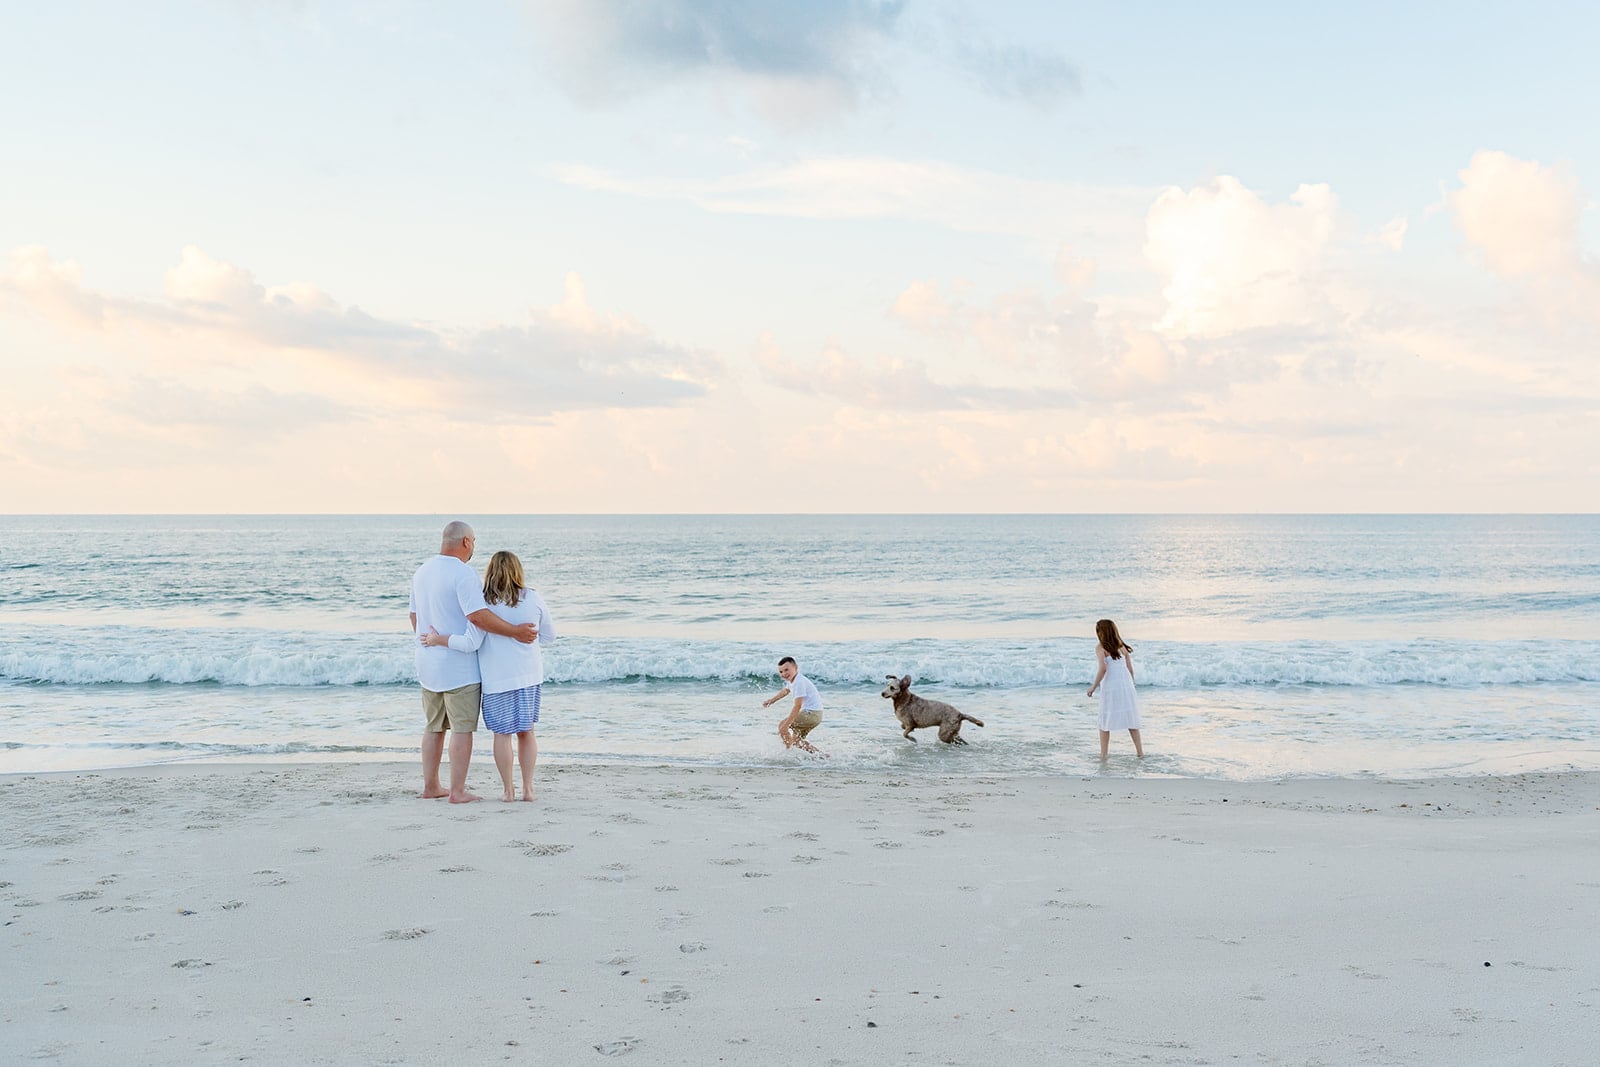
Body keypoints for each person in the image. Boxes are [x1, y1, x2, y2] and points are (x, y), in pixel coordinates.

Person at [409, 522, 538, 803]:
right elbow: (478, 617)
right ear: (466, 542)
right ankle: (456, 791)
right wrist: (516, 632)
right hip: (458, 666)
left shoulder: (422, 571)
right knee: (461, 729)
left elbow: (414, 617)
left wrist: (430, 642)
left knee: (433, 727)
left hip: (427, 662)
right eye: (474, 541)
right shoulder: (463, 573)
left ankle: (431, 786)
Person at [1086, 618, 1144, 760]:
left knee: (1105, 721)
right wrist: (1131, 685)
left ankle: (1104, 755)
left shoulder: (1100, 648)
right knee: (1131, 720)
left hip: (1111, 687)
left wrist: (1093, 687)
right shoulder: (1122, 646)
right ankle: (1140, 753)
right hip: (1126, 686)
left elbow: (1103, 669)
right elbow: (1130, 669)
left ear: (1101, 633)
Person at [762, 656, 824, 754]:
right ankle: (822, 756)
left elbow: (797, 706)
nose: (784, 674)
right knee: (797, 741)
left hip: (811, 714)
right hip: (816, 715)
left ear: (796, 667)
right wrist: (772, 700)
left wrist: (786, 725)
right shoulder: (794, 680)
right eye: (781, 672)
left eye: (787, 670)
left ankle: (788, 753)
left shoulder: (799, 682)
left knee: (782, 726)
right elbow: (786, 690)